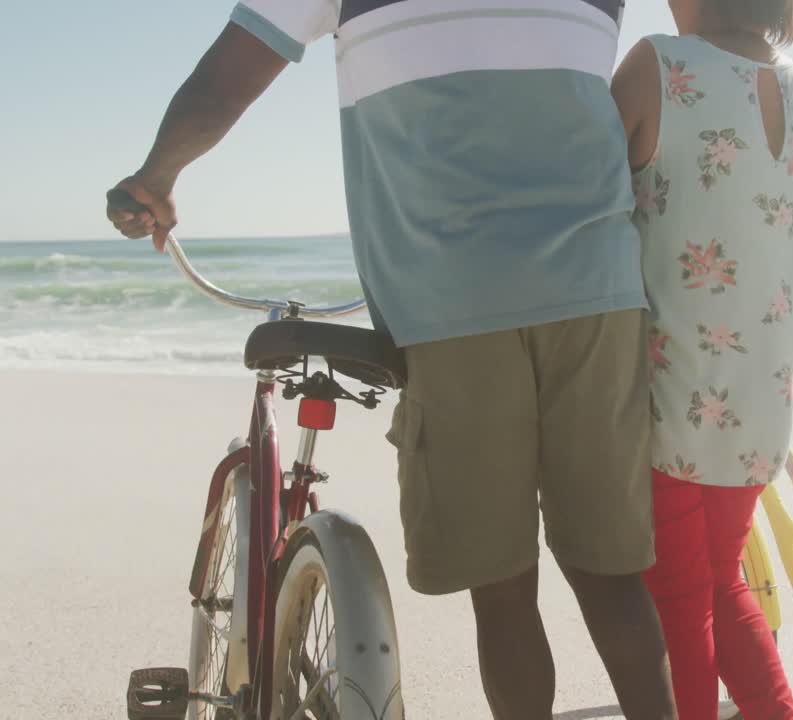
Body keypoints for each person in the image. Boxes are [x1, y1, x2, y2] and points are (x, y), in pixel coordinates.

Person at [105, 2, 677, 718]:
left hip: (455, 295)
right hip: (600, 290)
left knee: (502, 589)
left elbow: (224, 85)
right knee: (612, 577)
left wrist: (156, 178)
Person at [610, 0, 793, 717]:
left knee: (679, 599)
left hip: (667, 395)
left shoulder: (659, 66)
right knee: (720, 582)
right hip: (760, 401)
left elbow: (584, 198)